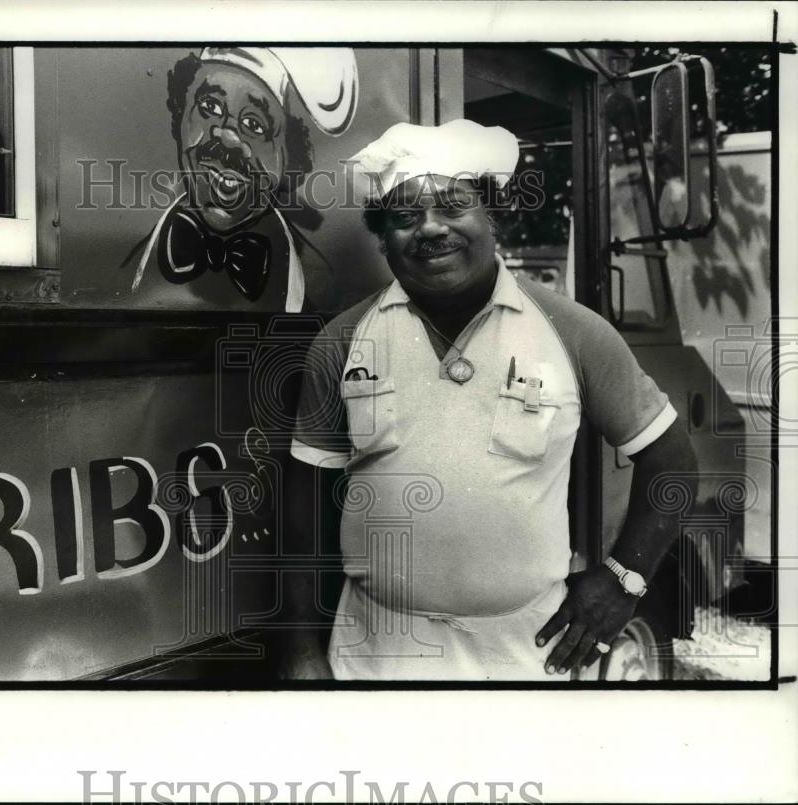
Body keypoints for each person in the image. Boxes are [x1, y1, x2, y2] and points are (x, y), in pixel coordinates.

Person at [282, 119, 698, 680]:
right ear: (382, 237)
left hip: (526, 655)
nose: (430, 228)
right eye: (404, 217)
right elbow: (302, 505)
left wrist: (625, 579)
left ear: (490, 217)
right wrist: (301, 648)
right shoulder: (341, 341)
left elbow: (671, 460)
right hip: (376, 655)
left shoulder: (574, 332)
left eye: (453, 207)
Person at [122, 47, 358, 312]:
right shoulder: (124, 266)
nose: (227, 137)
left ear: (288, 158)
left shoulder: (320, 285)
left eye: (254, 125)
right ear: (181, 115)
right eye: (209, 106)